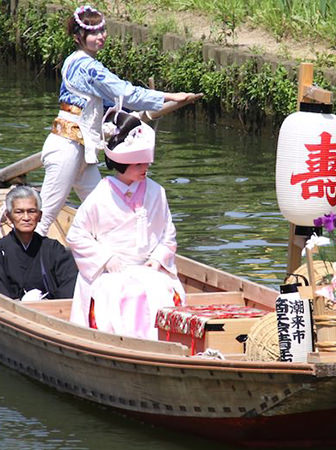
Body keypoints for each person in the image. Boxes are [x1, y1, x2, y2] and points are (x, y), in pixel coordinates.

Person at [36, 4, 195, 236]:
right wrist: (169, 96)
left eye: (102, 31)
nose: (101, 37)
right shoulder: (85, 66)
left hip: (84, 149)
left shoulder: (80, 62)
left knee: (104, 210)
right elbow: (125, 93)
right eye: (94, 34)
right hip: (66, 148)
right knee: (45, 215)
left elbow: (110, 105)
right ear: (78, 37)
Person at [67, 110, 185, 340]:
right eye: (138, 164)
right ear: (122, 164)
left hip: (149, 268)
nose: (145, 169)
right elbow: (76, 235)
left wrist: (158, 259)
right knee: (123, 295)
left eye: (146, 163)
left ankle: (167, 342)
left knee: (162, 292)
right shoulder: (100, 195)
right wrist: (106, 260)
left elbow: (167, 234)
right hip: (110, 271)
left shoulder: (156, 191)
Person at [0, 186, 78, 301]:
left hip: (50, 312)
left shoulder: (53, 249)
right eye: (19, 212)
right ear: (9, 217)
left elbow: (70, 285)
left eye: (31, 211)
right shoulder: (2, 250)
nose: (26, 218)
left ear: (40, 216)